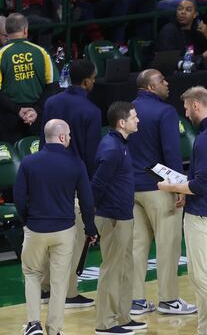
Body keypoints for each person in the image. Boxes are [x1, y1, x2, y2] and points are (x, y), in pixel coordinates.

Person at [158, 86, 207, 335]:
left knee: (204, 278)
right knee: (201, 278)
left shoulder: (205, 138)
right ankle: (206, 331)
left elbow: (202, 183)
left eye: (186, 108)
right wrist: (184, 190)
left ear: (195, 105)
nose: (186, 113)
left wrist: (171, 186)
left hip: (204, 215)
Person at [16, 119, 97, 335]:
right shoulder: (76, 164)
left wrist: (28, 221)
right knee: (59, 281)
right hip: (64, 231)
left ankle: (33, 324)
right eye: (68, 135)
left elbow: (19, 199)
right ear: (62, 137)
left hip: (36, 228)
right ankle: (54, 329)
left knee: (32, 274)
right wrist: (90, 228)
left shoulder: (28, 162)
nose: (70, 138)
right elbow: (87, 202)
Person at [128, 69, 196, 316]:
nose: (167, 83)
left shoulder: (127, 110)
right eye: (161, 80)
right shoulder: (165, 112)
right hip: (159, 188)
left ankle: (136, 300)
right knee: (168, 245)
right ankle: (168, 299)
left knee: (137, 246)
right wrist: (180, 186)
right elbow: (171, 152)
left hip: (132, 188)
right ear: (149, 87)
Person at [38, 60, 100, 307]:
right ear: (86, 81)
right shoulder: (91, 110)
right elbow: (91, 153)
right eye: (94, 79)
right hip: (74, 179)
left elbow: (43, 139)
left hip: (46, 174)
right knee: (73, 237)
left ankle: (44, 288)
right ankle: (68, 292)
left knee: (48, 232)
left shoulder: (52, 102)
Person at [93, 101, 146, 335]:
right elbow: (97, 185)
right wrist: (90, 220)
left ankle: (122, 316)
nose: (138, 120)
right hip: (113, 217)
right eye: (134, 117)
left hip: (124, 215)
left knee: (125, 268)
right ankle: (105, 322)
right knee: (111, 270)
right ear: (122, 123)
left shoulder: (121, 144)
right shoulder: (111, 148)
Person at [0, 13, 56, 143]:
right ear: (26, 30)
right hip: (35, 117)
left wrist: (18, 110)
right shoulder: (42, 52)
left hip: (9, 118)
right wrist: (35, 110)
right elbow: (53, 86)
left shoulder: (1, 55)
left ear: (7, 31)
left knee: (13, 159)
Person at [154, 0, 207, 69]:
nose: (183, 12)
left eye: (188, 10)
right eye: (180, 9)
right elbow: (167, 62)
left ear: (195, 14)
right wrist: (200, 58)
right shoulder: (169, 30)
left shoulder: (198, 31)